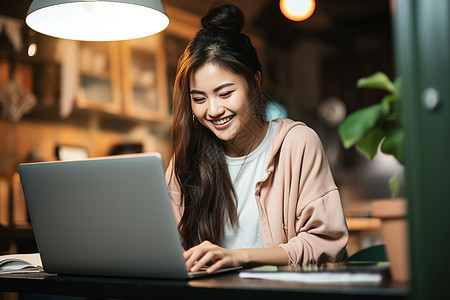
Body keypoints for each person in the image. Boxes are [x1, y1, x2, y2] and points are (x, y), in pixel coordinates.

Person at [165, 3, 348, 274]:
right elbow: (168, 245)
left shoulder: (297, 143)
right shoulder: (186, 159)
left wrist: (238, 257)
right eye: (199, 99)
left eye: (225, 94)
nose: (213, 110)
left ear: (255, 82)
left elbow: (326, 243)